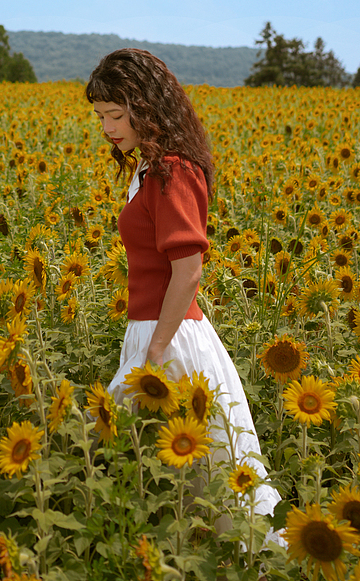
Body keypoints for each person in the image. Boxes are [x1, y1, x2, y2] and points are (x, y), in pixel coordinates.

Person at [85, 48, 281, 532]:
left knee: (204, 490)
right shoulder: (149, 168)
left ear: (146, 107)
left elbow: (188, 270)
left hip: (170, 341)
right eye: (100, 116)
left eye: (116, 115)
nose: (107, 127)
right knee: (161, 484)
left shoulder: (173, 170)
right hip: (152, 332)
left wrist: (155, 350)